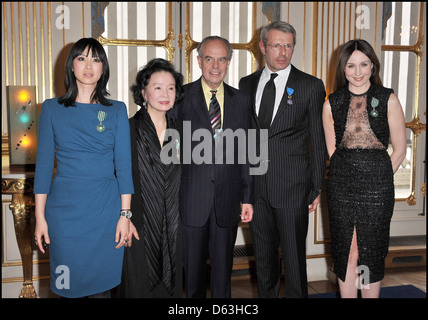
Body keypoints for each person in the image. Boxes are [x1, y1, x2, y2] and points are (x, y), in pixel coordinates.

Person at [33, 38, 135, 298]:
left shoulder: (117, 110)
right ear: (72, 66)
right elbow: (44, 168)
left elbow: (124, 167)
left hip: (105, 212)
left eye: (96, 59)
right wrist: (40, 218)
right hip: (64, 214)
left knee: (101, 290)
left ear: (103, 68)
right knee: (66, 287)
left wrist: (125, 215)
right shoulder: (52, 108)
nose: (89, 65)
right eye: (82, 58)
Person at [239, 21, 327, 298]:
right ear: (263, 46)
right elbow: (244, 137)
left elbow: (318, 138)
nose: (283, 52)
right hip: (256, 187)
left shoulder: (310, 86)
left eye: (288, 45)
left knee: (294, 261)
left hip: (293, 188)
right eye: (277, 45)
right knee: (263, 261)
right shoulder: (246, 84)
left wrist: (316, 187)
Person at [322, 39, 407, 298]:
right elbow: (332, 153)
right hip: (341, 188)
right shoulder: (331, 103)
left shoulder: (387, 99)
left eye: (364, 64)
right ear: (343, 69)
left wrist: (379, 179)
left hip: (377, 190)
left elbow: (400, 150)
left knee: (370, 252)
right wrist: (350, 177)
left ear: (373, 66)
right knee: (346, 251)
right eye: (351, 65)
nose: (357, 72)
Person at [173, 36, 254, 298]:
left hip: (227, 201)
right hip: (191, 201)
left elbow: (249, 152)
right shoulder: (179, 98)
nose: (215, 65)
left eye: (222, 59)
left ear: (229, 62)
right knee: (192, 277)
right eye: (209, 58)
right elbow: (169, 152)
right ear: (199, 61)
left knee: (223, 277)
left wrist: (247, 198)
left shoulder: (242, 100)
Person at [117, 58, 184, 298]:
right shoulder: (126, 129)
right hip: (138, 226)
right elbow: (115, 178)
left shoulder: (182, 131)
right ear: (144, 92)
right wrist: (123, 217)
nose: (165, 94)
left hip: (174, 229)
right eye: (157, 87)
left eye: (171, 87)